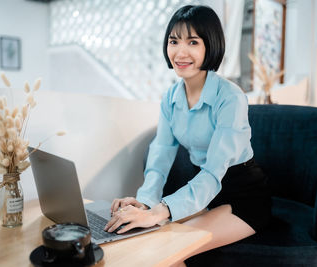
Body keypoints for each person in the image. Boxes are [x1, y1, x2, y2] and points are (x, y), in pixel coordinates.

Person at [104, 5, 271, 266]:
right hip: (202, 193)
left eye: (193, 42)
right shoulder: (170, 98)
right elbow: (159, 157)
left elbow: (214, 172)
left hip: (242, 196)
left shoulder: (231, 97)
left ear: (210, 45)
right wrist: (145, 203)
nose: (180, 52)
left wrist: (161, 211)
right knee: (141, 238)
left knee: (167, 249)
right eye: (174, 41)